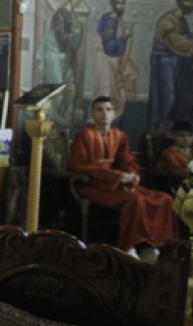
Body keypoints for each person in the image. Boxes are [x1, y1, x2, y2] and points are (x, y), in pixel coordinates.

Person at [69, 96, 177, 261]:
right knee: (135, 200)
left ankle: (153, 246)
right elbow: (80, 166)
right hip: (93, 184)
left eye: (108, 110)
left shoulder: (119, 135)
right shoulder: (85, 135)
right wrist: (116, 176)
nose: (104, 113)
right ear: (92, 114)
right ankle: (129, 246)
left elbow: (128, 161)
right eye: (99, 110)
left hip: (118, 184)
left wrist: (132, 174)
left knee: (164, 199)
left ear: (114, 114)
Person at [38, 0, 84, 127]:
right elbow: (61, 38)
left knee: (70, 90)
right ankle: (50, 124)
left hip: (66, 58)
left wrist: (77, 35)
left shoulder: (73, 16)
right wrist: (74, 34)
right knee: (57, 92)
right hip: (55, 57)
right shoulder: (60, 14)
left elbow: (76, 43)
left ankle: (62, 123)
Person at [148, 0, 193, 132]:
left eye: (192, 1)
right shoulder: (167, 21)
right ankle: (164, 128)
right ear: (179, 2)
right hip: (165, 62)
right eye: (187, 1)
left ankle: (174, 127)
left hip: (178, 61)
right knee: (168, 96)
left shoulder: (181, 20)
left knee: (181, 95)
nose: (190, 4)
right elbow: (177, 43)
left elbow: (185, 39)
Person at [92, 0, 138, 118]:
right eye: (118, 3)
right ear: (112, 4)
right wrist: (124, 37)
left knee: (115, 93)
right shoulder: (108, 21)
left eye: (123, 3)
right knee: (106, 91)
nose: (121, 6)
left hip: (114, 62)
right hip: (106, 63)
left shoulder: (118, 20)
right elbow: (109, 48)